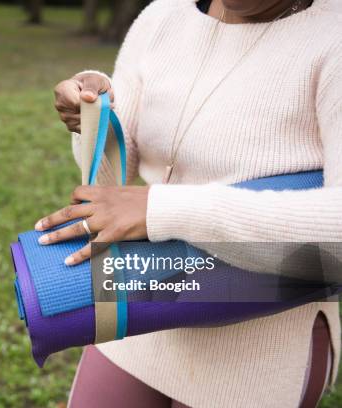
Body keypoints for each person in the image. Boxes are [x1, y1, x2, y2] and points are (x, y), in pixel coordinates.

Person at [34, 0, 342, 406]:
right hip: (144, 304)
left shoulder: (331, 36)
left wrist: (161, 211)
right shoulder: (163, 16)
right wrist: (97, 116)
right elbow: (114, 180)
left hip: (263, 344)